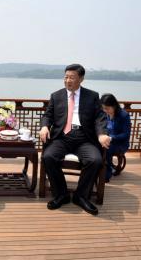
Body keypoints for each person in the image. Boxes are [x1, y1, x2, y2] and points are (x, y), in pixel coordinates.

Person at [40, 64, 110, 216]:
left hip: (84, 138)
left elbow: (100, 118)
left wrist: (101, 134)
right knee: (48, 157)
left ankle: (81, 196)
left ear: (81, 79)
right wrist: (45, 126)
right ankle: (61, 194)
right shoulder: (56, 95)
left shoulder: (92, 96)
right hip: (62, 137)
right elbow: (48, 115)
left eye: (72, 77)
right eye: (65, 77)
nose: (68, 80)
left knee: (95, 160)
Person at [100, 93, 131, 182]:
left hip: (120, 143)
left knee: (106, 148)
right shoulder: (105, 114)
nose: (105, 110)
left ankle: (106, 174)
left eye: (107, 108)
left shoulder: (123, 115)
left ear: (114, 105)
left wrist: (111, 138)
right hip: (108, 140)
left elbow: (126, 134)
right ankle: (101, 168)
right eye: (103, 108)